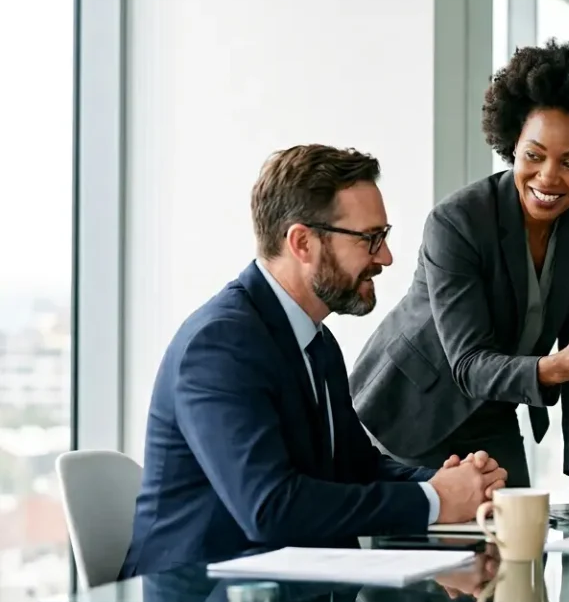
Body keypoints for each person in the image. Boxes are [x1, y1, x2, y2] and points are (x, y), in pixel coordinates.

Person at [121, 145, 507, 579]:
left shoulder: (316, 341)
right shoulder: (220, 345)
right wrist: (435, 500)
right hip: (194, 596)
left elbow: (356, 469)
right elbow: (270, 508)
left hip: (284, 588)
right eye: (370, 238)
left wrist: (448, 483)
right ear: (303, 243)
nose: (385, 257)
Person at [351, 41, 569, 490]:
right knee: (434, 533)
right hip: (410, 413)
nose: (548, 177)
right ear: (513, 144)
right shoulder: (458, 221)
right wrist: (558, 367)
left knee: (515, 529)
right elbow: (469, 363)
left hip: (495, 406)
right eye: (534, 155)